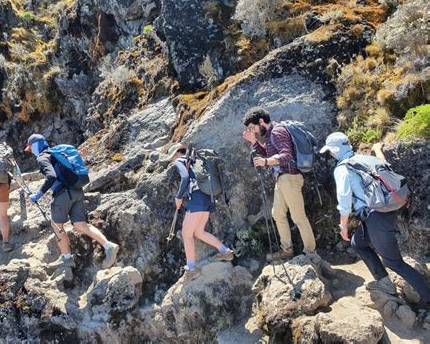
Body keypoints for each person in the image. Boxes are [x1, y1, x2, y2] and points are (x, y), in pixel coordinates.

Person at [320, 132, 429, 304]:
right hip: (389, 208)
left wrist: (343, 226)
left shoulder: (342, 169)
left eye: (330, 151)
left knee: (395, 262)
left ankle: (427, 298)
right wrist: (377, 149)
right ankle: (384, 282)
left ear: (335, 150)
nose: (330, 154)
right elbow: (386, 165)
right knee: (358, 244)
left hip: (377, 216)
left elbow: (344, 200)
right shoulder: (365, 159)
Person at [25, 134, 119, 270]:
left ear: (35, 145)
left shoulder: (42, 156)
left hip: (63, 194)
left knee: (57, 225)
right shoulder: (57, 153)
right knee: (80, 224)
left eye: (30, 148)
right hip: (77, 190)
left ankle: (66, 258)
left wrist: (38, 194)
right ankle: (108, 246)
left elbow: (51, 176)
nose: (31, 151)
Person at [242, 107, 316, 260]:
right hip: (282, 179)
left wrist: (266, 162)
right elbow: (268, 153)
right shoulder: (270, 134)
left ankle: (310, 253)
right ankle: (286, 250)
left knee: (298, 217)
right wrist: (255, 142)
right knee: (277, 214)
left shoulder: (277, 131)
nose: (253, 131)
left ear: (261, 121)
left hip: (290, 177)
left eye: (252, 127)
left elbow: (286, 155)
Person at [168, 143, 234, 281]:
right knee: (199, 232)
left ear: (176, 153)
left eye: (172, 157)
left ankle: (191, 269)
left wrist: (178, 197)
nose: (172, 160)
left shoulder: (180, 161)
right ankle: (225, 252)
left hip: (197, 197)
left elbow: (185, 178)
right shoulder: (196, 159)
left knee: (186, 234)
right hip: (208, 196)